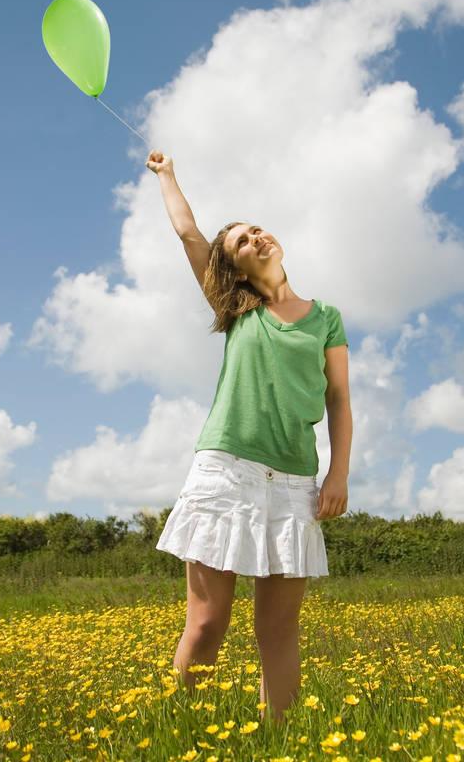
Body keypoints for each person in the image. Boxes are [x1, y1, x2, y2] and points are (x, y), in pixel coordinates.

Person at [146, 149, 353, 726]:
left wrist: (337, 473)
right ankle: (180, 735)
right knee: (209, 623)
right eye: (241, 240)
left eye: (256, 228)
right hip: (227, 471)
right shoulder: (238, 309)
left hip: (294, 482)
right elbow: (188, 233)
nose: (255, 237)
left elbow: (339, 399)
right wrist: (167, 175)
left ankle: (276, 741)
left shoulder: (326, 317)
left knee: (279, 631)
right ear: (233, 269)